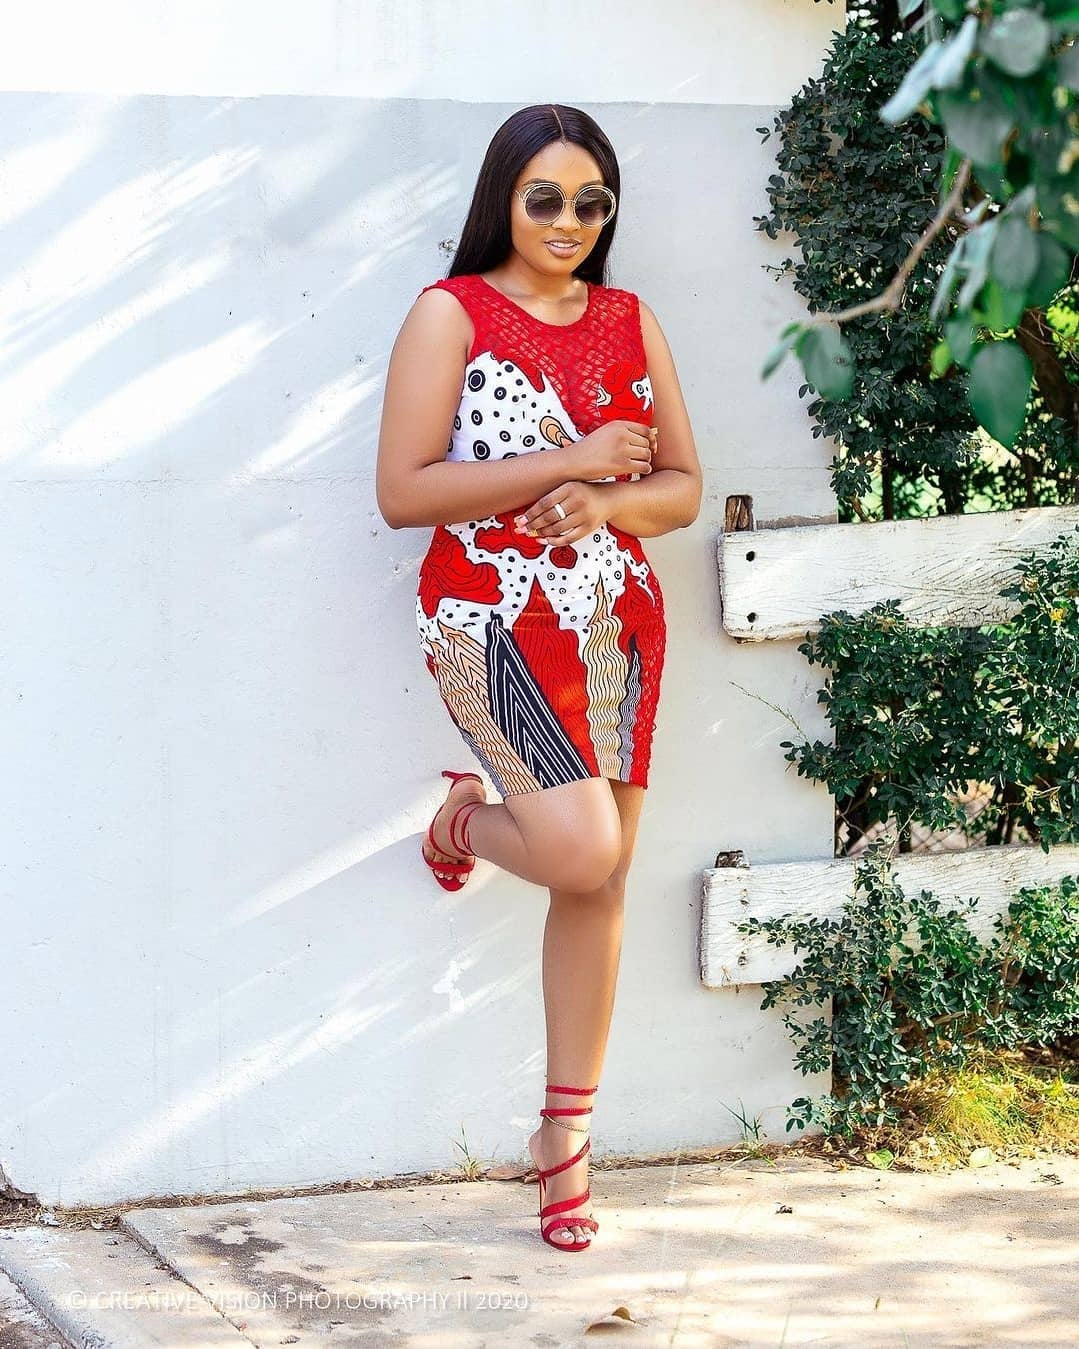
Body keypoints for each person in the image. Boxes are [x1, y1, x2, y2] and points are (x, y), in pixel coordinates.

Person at [376, 103, 701, 1251]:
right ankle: (462, 822)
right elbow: (404, 491)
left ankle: (564, 1136)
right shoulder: (450, 312)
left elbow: (680, 487)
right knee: (577, 849)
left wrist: (605, 502)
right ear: (502, 201)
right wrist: (566, 459)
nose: (569, 221)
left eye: (590, 202)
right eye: (544, 198)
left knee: (599, 881)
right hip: (487, 619)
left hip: (613, 621)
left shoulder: (627, 317)